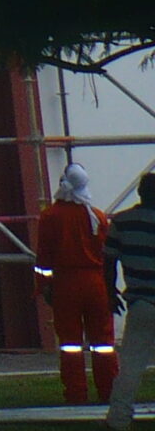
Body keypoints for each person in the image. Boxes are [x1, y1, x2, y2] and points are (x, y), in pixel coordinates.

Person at [40, 162, 117, 404]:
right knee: (103, 343)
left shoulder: (51, 216)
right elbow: (108, 254)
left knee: (70, 344)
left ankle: (76, 393)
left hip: (66, 284)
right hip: (96, 283)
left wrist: (44, 285)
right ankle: (109, 391)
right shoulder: (97, 216)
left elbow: (44, 257)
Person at [104, 172, 155, 429]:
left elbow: (109, 260)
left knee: (131, 367)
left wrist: (110, 292)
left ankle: (119, 418)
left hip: (140, 303)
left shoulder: (122, 222)